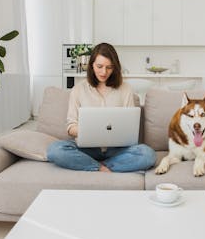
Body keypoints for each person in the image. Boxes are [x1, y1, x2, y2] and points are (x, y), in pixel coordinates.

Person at [47, 43, 156, 172]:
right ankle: (101, 167)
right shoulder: (78, 90)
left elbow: (130, 126)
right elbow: (71, 127)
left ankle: (94, 165)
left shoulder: (125, 89)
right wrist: (90, 132)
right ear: (91, 65)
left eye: (109, 67)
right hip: (87, 149)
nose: (104, 72)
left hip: (116, 149)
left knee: (148, 154)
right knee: (55, 150)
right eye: (99, 66)